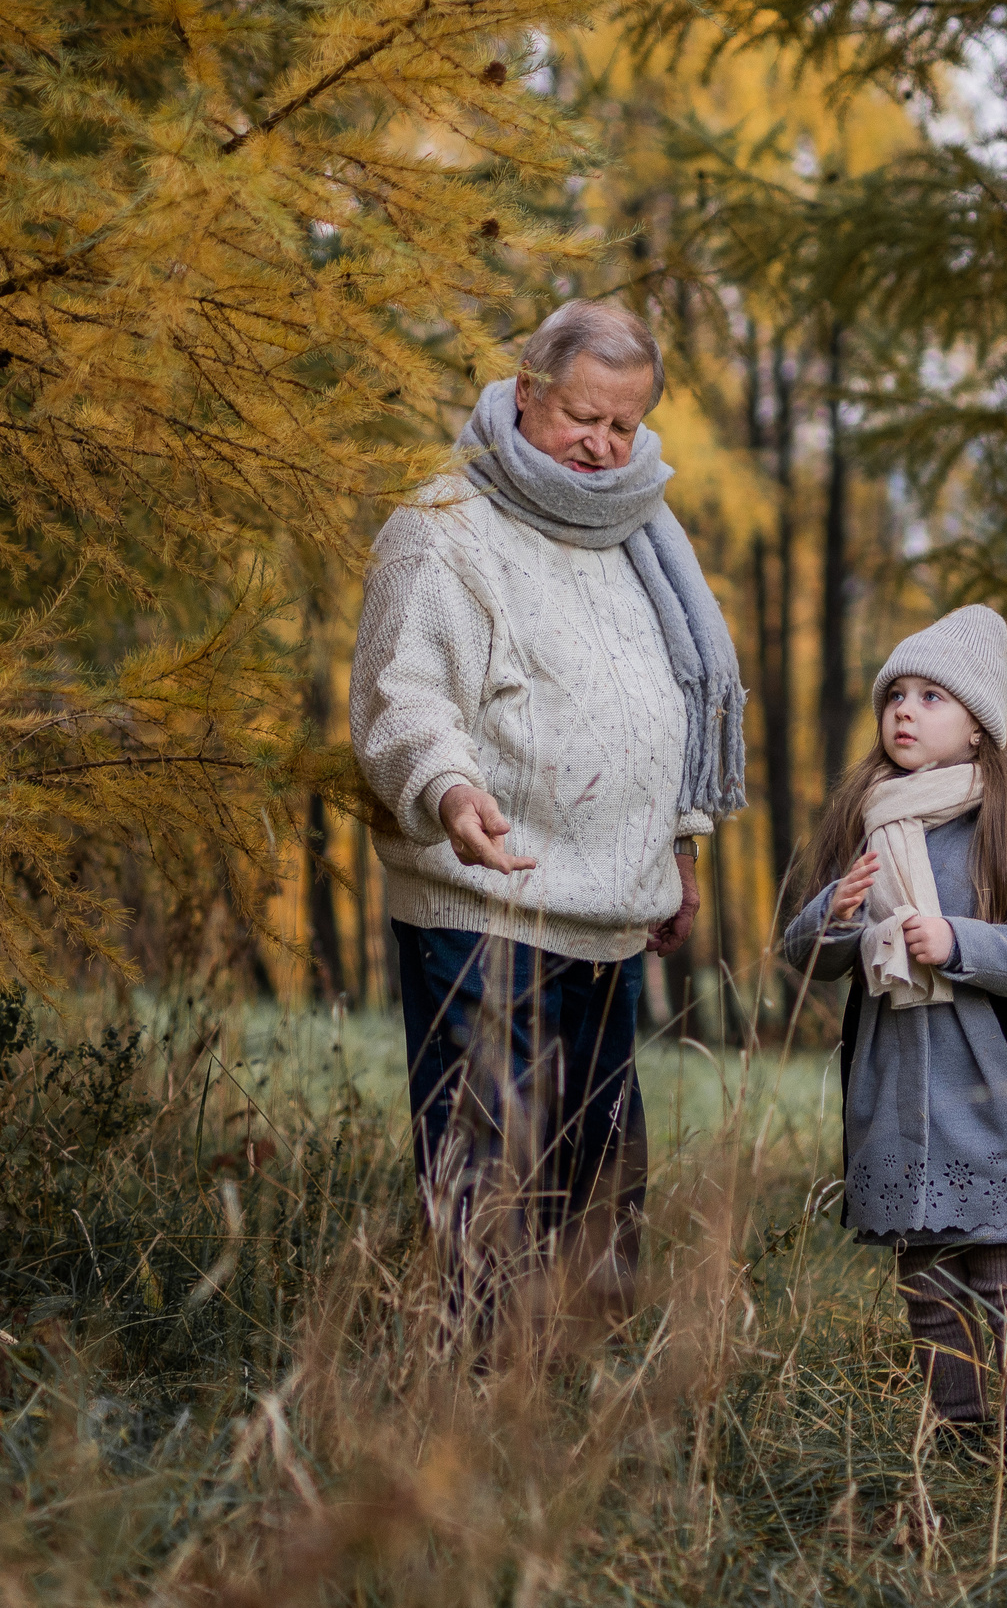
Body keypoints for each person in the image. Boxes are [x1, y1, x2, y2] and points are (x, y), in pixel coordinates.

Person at [349, 299, 747, 1308]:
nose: (602, 445)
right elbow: (403, 697)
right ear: (527, 389)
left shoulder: (637, 530)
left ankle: (575, 1381)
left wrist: (680, 846)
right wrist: (448, 791)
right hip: (487, 904)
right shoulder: (443, 526)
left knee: (599, 1179)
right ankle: (479, 1380)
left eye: (624, 424)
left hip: (610, 914)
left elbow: (664, 703)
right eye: (581, 416)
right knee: (497, 1174)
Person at [779, 605, 1007, 1467]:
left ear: (978, 726)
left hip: (988, 1089)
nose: (904, 709)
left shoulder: (1006, 823)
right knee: (928, 1277)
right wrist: (834, 911)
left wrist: (958, 940)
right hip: (896, 1089)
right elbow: (805, 955)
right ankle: (959, 1431)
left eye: (931, 696)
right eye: (895, 695)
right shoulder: (871, 820)